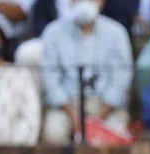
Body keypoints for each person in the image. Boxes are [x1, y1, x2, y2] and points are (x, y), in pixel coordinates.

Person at [39, 0, 133, 144]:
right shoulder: (53, 32)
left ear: (102, 2)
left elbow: (121, 80)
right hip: (67, 105)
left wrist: (97, 120)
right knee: (54, 135)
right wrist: (73, 117)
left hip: (105, 105)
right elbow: (50, 80)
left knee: (109, 142)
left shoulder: (117, 32)